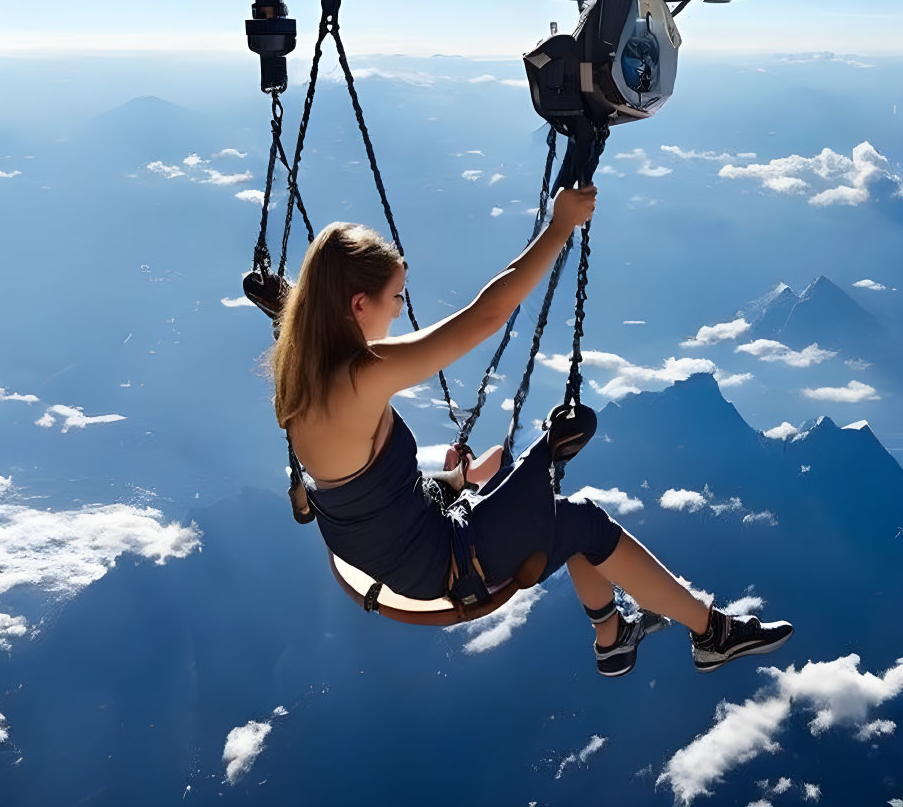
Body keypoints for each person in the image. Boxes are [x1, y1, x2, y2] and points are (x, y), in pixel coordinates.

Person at [269, 184, 793, 677]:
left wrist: (454, 482)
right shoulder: (362, 376)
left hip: (382, 545)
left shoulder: (299, 369)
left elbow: (356, 482)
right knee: (583, 522)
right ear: (359, 305)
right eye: (397, 298)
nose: (401, 310)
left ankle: (613, 641)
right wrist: (560, 225)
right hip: (433, 564)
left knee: (538, 499)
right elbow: (488, 313)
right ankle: (712, 634)